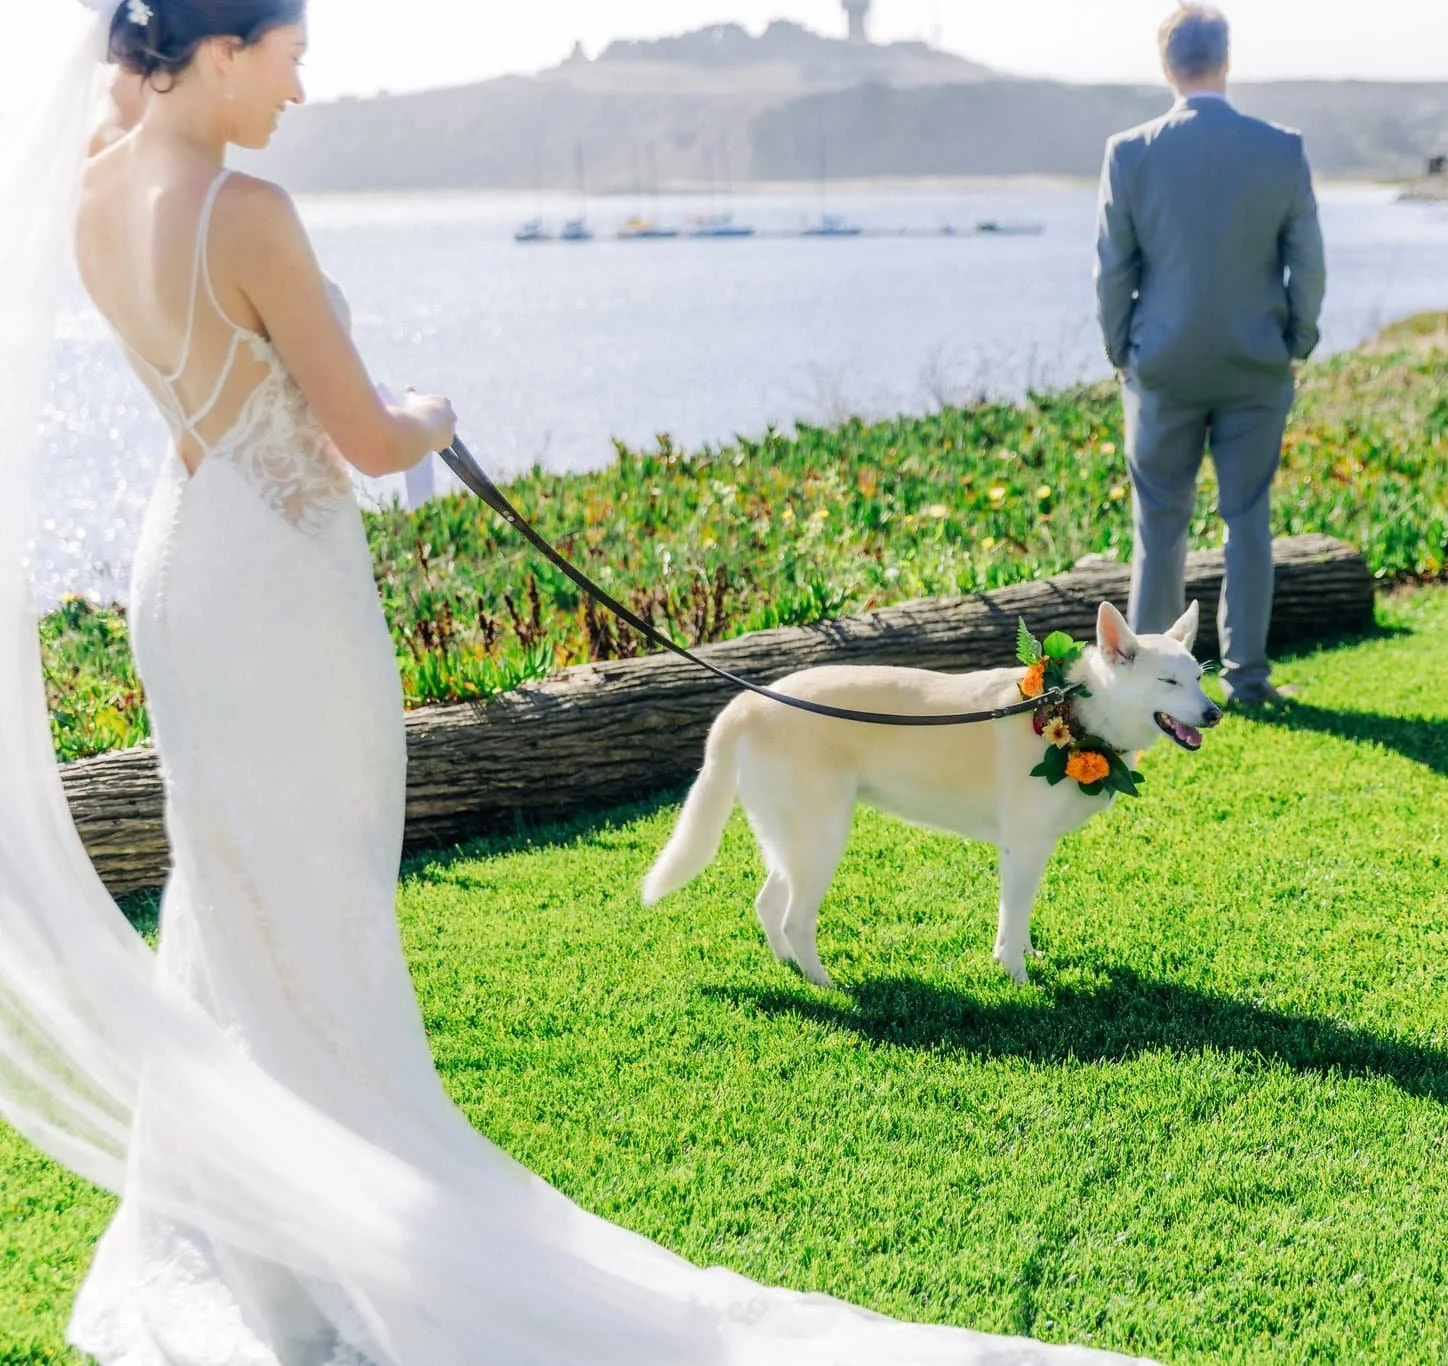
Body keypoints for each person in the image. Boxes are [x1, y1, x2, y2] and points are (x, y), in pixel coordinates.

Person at [0, 3, 1135, 1361]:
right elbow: (364, 436)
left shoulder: (89, 195)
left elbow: (215, 387)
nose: (302, 87)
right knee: (315, 890)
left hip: (183, 574)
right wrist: (434, 413)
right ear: (226, 46)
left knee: (232, 881)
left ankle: (243, 1226)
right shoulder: (246, 210)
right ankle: (348, 1226)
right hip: (281, 593)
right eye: (292, 56)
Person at [1094, 5, 1326, 707]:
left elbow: (1113, 270)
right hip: (1256, 363)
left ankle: (1139, 686)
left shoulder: (1130, 151)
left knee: (1158, 524)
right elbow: (1307, 265)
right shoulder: (1281, 148)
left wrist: (1122, 352)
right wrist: (1296, 342)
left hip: (1161, 366)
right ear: (1225, 60)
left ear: (1167, 65)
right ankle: (1248, 677)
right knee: (1248, 518)